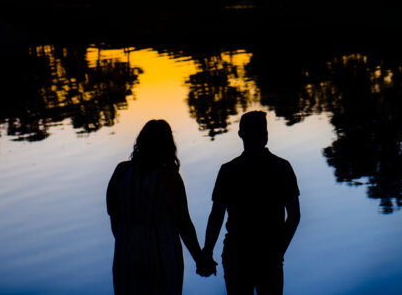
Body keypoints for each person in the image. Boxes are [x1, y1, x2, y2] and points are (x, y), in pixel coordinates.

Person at [107, 119, 217, 295]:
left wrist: (127, 240)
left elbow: (113, 214)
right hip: (163, 256)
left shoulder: (121, 171)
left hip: (126, 255)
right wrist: (200, 259)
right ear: (168, 144)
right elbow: (184, 224)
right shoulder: (170, 178)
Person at [202, 111, 300, 295]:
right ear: (266, 135)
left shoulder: (228, 170)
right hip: (270, 254)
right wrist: (279, 251)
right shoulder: (282, 167)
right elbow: (294, 216)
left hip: (237, 254)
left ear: (240, 134)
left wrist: (207, 252)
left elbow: (216, 216)